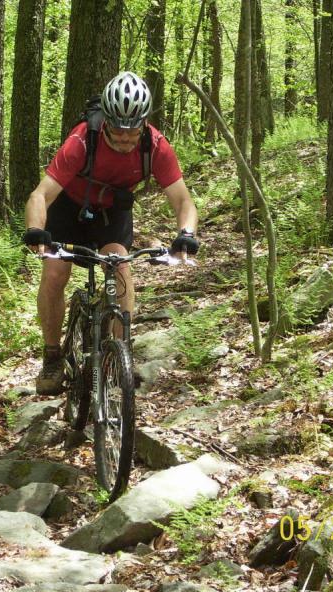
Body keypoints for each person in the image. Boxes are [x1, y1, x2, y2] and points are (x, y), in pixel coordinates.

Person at [22, 71, 199, 395]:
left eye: (131, 134)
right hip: (67, 207)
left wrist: (186, 234)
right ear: (105, 122)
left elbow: (183, 200)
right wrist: (36, 231)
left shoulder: (155, 146)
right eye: (117, 133)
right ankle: (51, 355)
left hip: (111, 212)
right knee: (55, 271)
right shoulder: (82, 139)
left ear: (144, 124)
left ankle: (119, 354)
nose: (123, 141)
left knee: (121, 270)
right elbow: (40, 195)